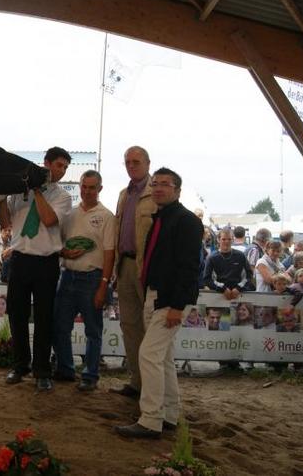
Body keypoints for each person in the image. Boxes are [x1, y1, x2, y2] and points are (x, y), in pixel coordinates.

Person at [114, 167, 203, 439]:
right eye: (155, 184)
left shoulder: (186, 221)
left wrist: (177, 306)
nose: (159, 188)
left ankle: (150, 419)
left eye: (165, 184)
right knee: (162, 358)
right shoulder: (160, 218)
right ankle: (169, 414)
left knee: (148, 354)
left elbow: (190, 268)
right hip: (154, 294)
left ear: (177, 189)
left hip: (170, 298)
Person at [0, 146, 72, 392]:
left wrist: (37, 189)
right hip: (19, 258)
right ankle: (20, 366)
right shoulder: (20, 191)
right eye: (59, 165)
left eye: (65, 167)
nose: (61, 170)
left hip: (46, 262)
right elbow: (6, 222)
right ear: (46, 163)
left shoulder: (62, 196)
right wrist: (2, 196)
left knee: (43, 318)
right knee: (16, 315)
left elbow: (49, 220)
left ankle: (42, 370)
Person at [52, 170, 115, 392]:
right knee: (60, 327)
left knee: (93, 331)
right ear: (80, 187)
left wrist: (103, 284)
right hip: (67, 276)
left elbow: (110, 253)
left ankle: (90, 374)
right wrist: (63, 253)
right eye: (84, 187)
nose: (87, 191)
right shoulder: (69, 214)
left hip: (92, 278)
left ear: (100, 189)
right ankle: (66, 369)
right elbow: (57, 243)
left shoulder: (107, 216)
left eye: (92, 187)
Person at [110, 145, 156, 399]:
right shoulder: (122, 195)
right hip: (124, 266)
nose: (131, 166)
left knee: (151, 328)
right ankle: (137, 382)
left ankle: (152, 386)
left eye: (136, 162)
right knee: (130, 326)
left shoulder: (156, 193)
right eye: (127, 162)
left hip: (147, 269)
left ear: (148, 164)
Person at [202, 227, 255, 297]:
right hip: (218, 295)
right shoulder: (212, 258)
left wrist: (238, 288)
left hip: (238, 295)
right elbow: (207, 279)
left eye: (229, 239)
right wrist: (223, 289)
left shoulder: (240, 255)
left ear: (233, 240)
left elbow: (249, 275)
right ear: (218, 240)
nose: (226, 242)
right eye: (223, 239)